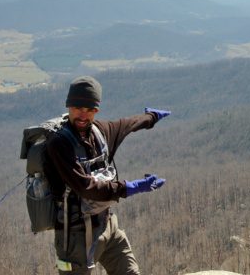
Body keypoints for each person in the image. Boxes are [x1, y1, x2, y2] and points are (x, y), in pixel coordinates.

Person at [43, 76, 170, 274]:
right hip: (75, 238)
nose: (83, 115)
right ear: (69, 106)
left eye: (90, 110)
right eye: (77, 108)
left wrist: (151, 117)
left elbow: (127, 125)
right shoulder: (59, 145)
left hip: (108, 228)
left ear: (96, 110)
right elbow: (85, 188)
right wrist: (131, 188)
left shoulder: (100, 132)